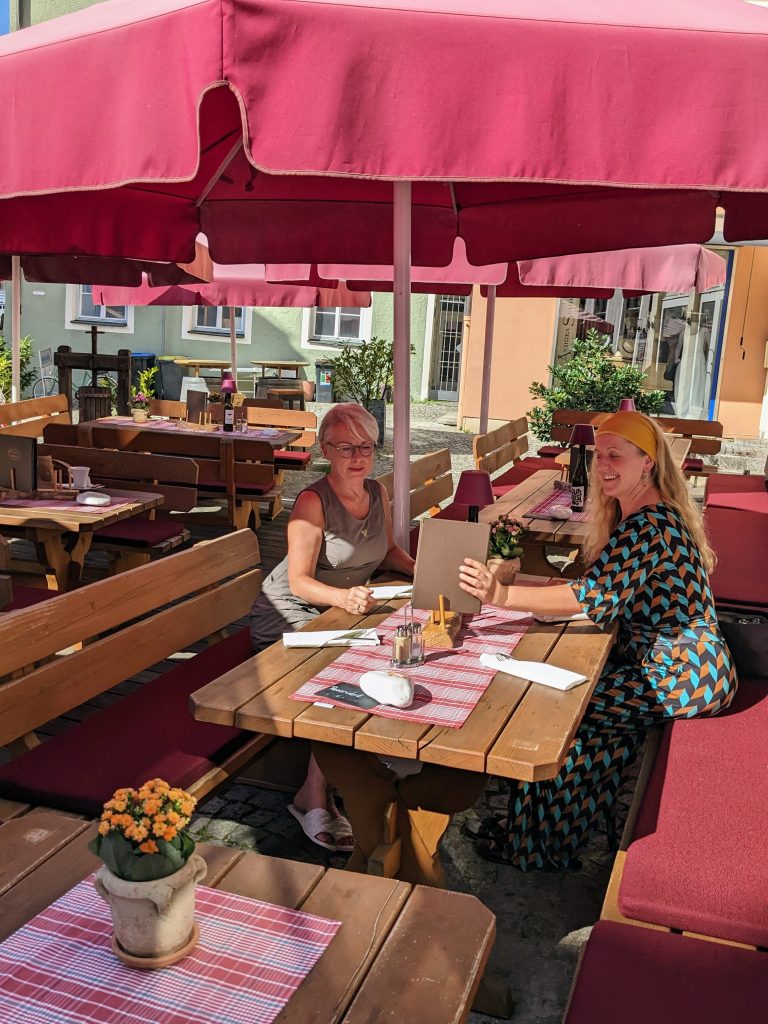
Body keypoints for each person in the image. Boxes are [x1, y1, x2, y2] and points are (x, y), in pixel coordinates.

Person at [458, 410, 737, 870]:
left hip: (684, 675)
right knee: (580, 712)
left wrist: (503, 594)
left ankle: (540, 842)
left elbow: (594, 599)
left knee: (560, 709)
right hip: (681, 667)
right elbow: (603, 592)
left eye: (616, 456)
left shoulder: (650, 525)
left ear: (647, 462)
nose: (604, 465)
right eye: (599, 455)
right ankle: (541, 838)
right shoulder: (648, 513)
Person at [249, 402, 415, 852]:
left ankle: (371, 758)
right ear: (325, 449)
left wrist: (422, 571)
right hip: (289, 613)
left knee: (400, 647)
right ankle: (314, 796)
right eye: (346, 447)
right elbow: (300, 581)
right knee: (347, 672)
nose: (357, 456)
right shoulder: (311, 501)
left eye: (366, 446)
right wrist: (343, 596)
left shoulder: (377, 492)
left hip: (340, 612)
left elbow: (386, 551)